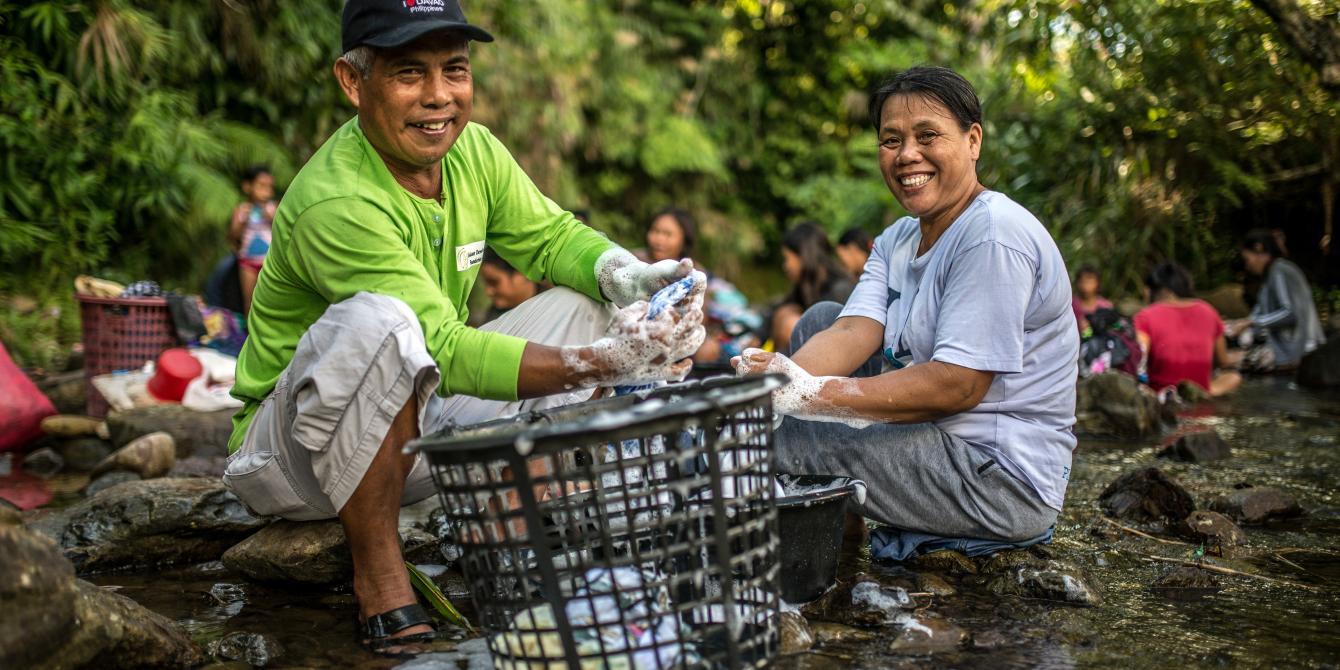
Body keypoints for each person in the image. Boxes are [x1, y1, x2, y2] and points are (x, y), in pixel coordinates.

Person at [223, 1, 705, 656]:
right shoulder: (337, 199)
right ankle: (380, 572)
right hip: (293, 455)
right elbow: (443, 349)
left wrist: (631, 277)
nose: (439, 97)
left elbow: (553, 238)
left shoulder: (471, 151)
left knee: (590, 304)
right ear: (352, 81)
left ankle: (504, 524)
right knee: (384, 322)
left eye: (454, 69)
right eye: (408, 73)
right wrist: (607, 365)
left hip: (413, 428)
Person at [734, 66, 1078, 555]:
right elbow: (853, 329)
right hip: (935, 438)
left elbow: (957, 384)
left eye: (928, 135)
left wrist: (810, 399)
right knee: (820, 320)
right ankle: (843, 527)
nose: (907, 155)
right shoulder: (899, 237)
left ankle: (820, 518)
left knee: (781, 442)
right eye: (890, 140)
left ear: (973, 140)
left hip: (999, 479)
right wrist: (774, 387)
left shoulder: (993, 235)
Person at [1133, 263, 1241, 396]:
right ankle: (1203, 392)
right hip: (1200, 393)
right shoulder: (1208, 311)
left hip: (1161, 394)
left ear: (1149, 291)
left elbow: (1138, 362)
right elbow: (1223, 361)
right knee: (1232, 376)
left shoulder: (1145, 316)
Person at [1228, 228, 1326, 371]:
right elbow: (1258, 315)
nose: (1248, 266)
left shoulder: (1279, 270)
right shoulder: (1270, 276)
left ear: (1259, 250)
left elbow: (1290, 314)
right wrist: (1238, 324)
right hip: (1289, 350)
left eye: (1247, 259)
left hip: (1302, 350)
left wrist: (1251, 322)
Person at [770, 222, 854, 352]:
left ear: (803, 256)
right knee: (785, 312)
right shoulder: (807, 285)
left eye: (787, 258)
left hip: (836, 355)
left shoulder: (839, 289)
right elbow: (779, 307)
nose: (785, 266)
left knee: (789, 323)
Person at [228, 165, 278, 315]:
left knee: (270, 300)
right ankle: (249, 334)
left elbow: (281, 231)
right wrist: (243, 222)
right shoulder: (242, 210)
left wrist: (271, 218)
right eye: (261, 186)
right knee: (249, 302)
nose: (266, 191)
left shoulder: (272, 208)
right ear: (248, 187)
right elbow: (233, 236)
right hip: (247, 262)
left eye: (269, 187)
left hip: (268, 261)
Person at [477, 246, 540, 323]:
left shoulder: (552, 307)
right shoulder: (493, 319)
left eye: (494, 282)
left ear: (521, 273)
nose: (488, 291)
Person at [1071, 265, 1113, 334]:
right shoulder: (1071, 305)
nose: (1086, 286)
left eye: (1089, 282)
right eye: (1083, 281)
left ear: (1097, 283)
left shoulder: (1105, 306)